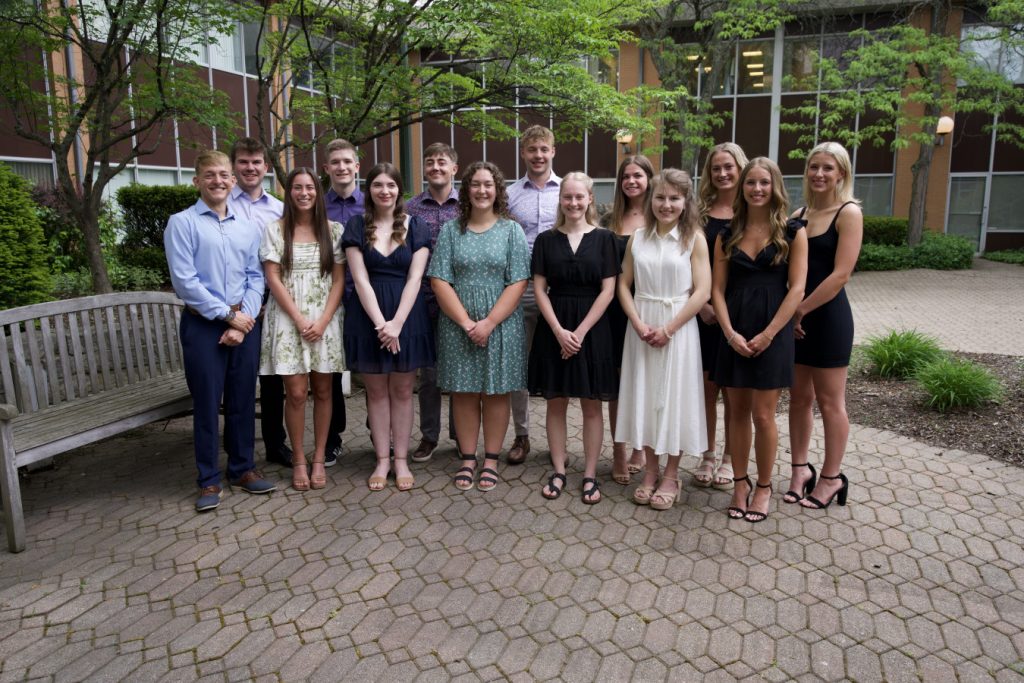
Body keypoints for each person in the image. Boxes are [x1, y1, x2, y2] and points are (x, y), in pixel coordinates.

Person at [165, 150, 275, 512]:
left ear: (232, 180)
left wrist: (243, 320)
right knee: (207, 404)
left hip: (243, 324)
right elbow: (185, 282)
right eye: (210, 175)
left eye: (224, 175)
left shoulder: (247, 227)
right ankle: (208, 479)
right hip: (203, 325)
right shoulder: (182, 223)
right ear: (197, 181)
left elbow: (255, 277)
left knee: (242, 400)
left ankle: (242, 469)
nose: (218, 181)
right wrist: (228, 317)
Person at [711, 157, 808, 523]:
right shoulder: (727, 234)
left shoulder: (793, 232)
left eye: (764, 182)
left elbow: (797, 288)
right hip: (734, 330)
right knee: (736, 412)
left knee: (763, 415)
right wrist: (729, 333)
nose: (757, 189)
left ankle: (764, 487)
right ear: (742, 188)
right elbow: (717, 290)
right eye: (750, 182)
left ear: (775, 186)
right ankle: (740, 484)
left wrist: (769, 334)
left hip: (773, 331)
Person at [428, 162, 530, 492]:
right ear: (466, 190)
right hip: (458, 325)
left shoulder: (512, 231)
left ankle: (491, 460)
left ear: (497, 190)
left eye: (488, 184)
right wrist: (467, 323)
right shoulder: (451, 231)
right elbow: (439, 279)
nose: (482, 190)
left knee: (496, 392)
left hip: (501, 325)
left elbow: (518, 281)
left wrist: (488, 323)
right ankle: (468, 458)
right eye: (475, 184)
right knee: (464, 392)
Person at [615, 169, 711, 511]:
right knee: (646, 398)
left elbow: (702, 291)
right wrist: (637, 322)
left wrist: (669, 329)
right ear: (650, 200)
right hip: (642, 326)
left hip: (678, 328)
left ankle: (671, 476)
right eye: (660, 197)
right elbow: (623, 284)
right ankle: (650, 472)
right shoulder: (638, 238)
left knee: (673, 400)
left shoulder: (693, 239)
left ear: (686, 202)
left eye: (674, 198)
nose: (666, 204)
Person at [529, 173, 620, 504]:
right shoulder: (545, 240)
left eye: (579, 197)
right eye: (567, 197)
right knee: (556, 402)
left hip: (592, 330)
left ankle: (590, 474)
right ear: (561, 199)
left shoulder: (606, 239)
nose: (573, 203)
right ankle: (558, 470)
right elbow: (539, 288)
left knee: (591, 405)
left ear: (590, 199)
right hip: (554, 327)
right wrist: (559, 331)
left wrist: (579, 333)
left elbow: (608, 290)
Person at [343, 163, 435, 491]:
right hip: (368, 317)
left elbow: (415, 278)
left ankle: (401, 460)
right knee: (377, 391)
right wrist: (381, 324)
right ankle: (382, 459)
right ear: (368, 190)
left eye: (391, 185)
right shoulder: (356, 226)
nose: (385, 191)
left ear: (399, 190)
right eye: (378, 185)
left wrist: (396, 324)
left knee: (402, 391)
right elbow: (360, 280)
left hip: (407, 317)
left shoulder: (417, 226)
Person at [258, 168, 345, 491]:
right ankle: (297, 458)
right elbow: (272, 277)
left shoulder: (334, 231)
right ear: (289, 192)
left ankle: (319, 457)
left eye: (310, 187)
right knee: (295, 393)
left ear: (318, 192)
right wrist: (298, 318)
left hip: (325, 319)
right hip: (287, 318)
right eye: (297, 187)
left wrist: (322, 321)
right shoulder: (275, 230)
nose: (304, 193)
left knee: (324, 391)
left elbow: (339, 280)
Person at [786, 142, 862, 510]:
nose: (819, 174)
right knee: (799, 399)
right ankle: (800, 470)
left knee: (831, 403)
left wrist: (800, 310)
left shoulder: (848, 213)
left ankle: (832, 478)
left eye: (828, 168)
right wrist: (790, 312)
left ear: (841, 174)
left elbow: (841, 275)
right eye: (814, 167)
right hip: (796, 319)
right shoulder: (798, 215)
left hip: (828, 319)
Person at [226, 138, 290, 469]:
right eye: (243, 162)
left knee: (273, 378)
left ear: (266, 167)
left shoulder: (279, 209)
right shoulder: (221, 204)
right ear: (233, 166)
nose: (250, 168)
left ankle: (275, 445)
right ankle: (237, 450)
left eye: (256, 162)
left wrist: (273, 301)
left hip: (273, 300)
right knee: (237, 379)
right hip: (234, 306)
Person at [693, 142, 749, 490]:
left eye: (729, 167)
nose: (723, 173)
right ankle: (707, 454)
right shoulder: (698, 214)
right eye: (716, 168)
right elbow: (684, 261)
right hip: (703, 315)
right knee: (706, 390)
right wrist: (701, 305)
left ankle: (730, 458)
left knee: (734, 392)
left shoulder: (753, 210)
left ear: (741, 168)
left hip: (739, 313)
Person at [506, 125, 561, 465]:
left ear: (553, 151)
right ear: (523, 153)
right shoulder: (510, 194)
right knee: (519, 365)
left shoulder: (568, 191)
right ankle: (522, 435)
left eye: (543, 149)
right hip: (522, 289)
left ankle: (558, 442)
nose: (538, 155)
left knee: (559, 362)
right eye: (532, 150)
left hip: (560, 291)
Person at [406, 142, 461, 463]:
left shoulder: (467, 206)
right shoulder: (410, 209)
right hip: (422, 300)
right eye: (430, 162)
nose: (436, 167)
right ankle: (429, 436)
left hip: (458, 300)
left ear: (454, 168)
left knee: (458, 371)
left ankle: (460, 435)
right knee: (428, 376)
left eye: (442, 162)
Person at [603, 154, 654, 485]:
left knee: (643, 380)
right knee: (616, 385)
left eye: (638, 175)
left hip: (647, 307)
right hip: (613, 309)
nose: (631, 181)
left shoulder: (660, 215)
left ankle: (641, 447)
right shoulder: (609, 218)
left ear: (650, 178)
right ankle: (619, 449)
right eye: (626, 176)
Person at [321, 138, 362, 466]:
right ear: (327, 168)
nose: (342, 167)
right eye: (335, 162)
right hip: (329, 301)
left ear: (357, 166)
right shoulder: (316, 207)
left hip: (367, 299)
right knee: (331, 372)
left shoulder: (374, 203)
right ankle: (333, 438)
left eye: (347, 161)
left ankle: (380, 434)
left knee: (375, 370)